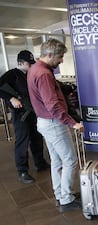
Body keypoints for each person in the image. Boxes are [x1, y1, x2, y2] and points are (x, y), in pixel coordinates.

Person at [27, 39, 83, 212]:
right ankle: (66, 198)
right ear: (49, 54)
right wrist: (72, 123)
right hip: (53, 123)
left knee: (57, 161)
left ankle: (61, 194)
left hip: (45, 122)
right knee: (70, 160)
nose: (61, 60)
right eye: (60, 56)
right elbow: (52, 105)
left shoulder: (35, 69)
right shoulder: (43, 74)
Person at [0, 50, 50, 184]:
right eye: (29, 64)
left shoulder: (29, 74)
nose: (31, 66)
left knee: (36, 138)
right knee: (22, 141)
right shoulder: (12, 74)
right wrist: (11, 98)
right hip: (20, 114)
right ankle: (22, 171)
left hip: (32, 111)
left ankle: (40, 163)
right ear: (20, 63)